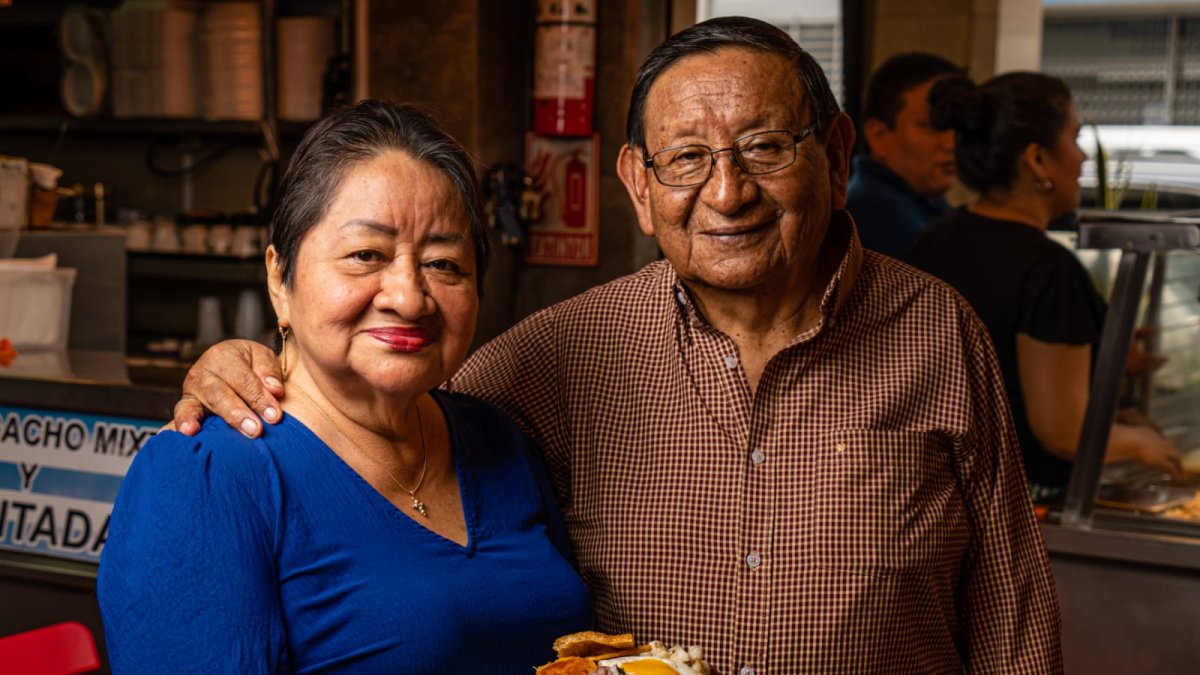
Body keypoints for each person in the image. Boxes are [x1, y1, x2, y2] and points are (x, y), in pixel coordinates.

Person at [172, 18, 1062, 673]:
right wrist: (251, 361)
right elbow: (387, 387)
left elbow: (1013, 623)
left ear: (833, 156)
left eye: (763, 147)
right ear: (638, 184)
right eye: (685, 159)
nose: (726, 192)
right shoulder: (556, 356)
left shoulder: (939, 333)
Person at [97, 101, 593, 672]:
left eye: (445, 264)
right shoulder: (204, 475)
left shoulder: (499, 441)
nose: (408, 297)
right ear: (280, 280)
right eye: (365, 255)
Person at [907, 73, 1183, 504]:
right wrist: (1140, 443)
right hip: (1021, 506)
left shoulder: (936, 237)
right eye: (1074, 139)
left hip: (939, 490)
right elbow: (1064, 432)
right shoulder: (1048, 269)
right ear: (1037, 159)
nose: (1084, 158)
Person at [846, 52, 962, 258]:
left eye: (957, 125)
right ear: (878, 135)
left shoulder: (923, 201)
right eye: (932, 126)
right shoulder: (877, 217)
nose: (951, 143)